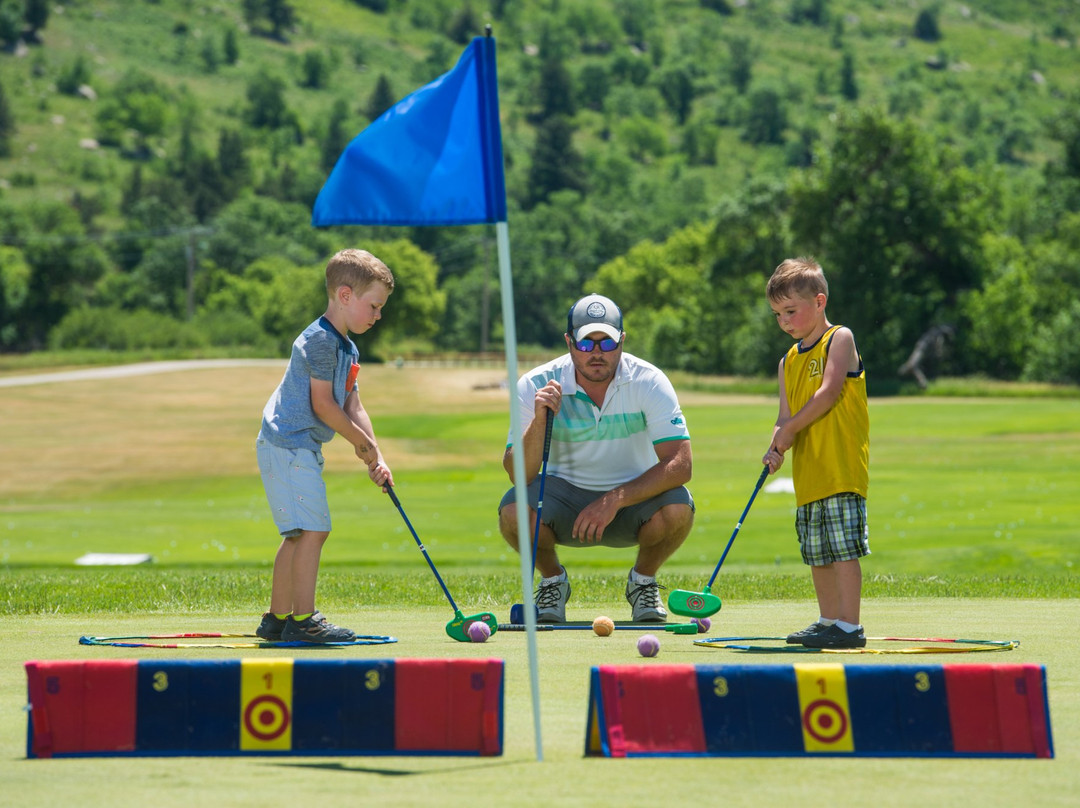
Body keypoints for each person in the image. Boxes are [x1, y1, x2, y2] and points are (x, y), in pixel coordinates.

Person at [498, 293, 694, 623]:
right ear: (569, 342)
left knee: (679, 507)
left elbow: (681, 464)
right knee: (513, 510)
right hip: (561, 498)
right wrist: (540, 419)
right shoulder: (536, 383)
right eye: (587, 344)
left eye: (608, 343)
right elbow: (519, 473)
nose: (597, 354)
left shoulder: (648, 380)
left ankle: (642, 583)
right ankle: (553, 582)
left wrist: (614, 500)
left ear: (622, 341)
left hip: (634, 499)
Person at [254, 248, 395, 643]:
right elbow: (324, 405)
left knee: (298, 533)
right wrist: (360, 444)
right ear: (345, 295)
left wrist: (375, 454)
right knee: (314, 530)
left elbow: (354, 404)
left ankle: (276, 620)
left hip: (291, 446)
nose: (378, 315)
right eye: (374, 306)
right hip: (289, 444)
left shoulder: (347, 348)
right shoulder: (320, 341)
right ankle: (303, 620)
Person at [761, 258, 870, 650]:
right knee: (817, 552)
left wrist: (789, 430)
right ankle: (828, 621)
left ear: (819, 301)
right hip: (809, 474)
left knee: (843, 550)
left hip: (840, 468)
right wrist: (776, 445)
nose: (785, 321)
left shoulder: (839, 338)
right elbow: (784, 416)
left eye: (791, 310)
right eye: (777, 314)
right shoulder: (787, 361)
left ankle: (850, 626)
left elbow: (828, 393)